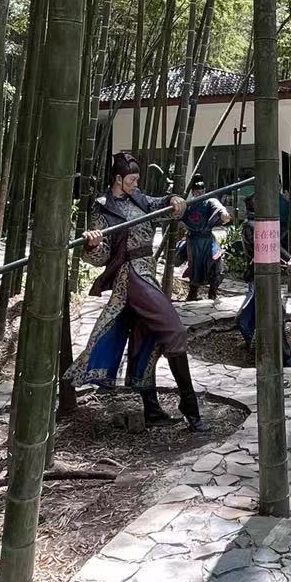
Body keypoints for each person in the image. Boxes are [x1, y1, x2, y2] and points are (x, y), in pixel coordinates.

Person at [65, 152, 207, 432]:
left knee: (146, 338)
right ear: (118, 179)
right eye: (131, 180)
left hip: (147, 272)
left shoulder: (138, 198)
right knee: (175, 331)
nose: (135, 184)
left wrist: (173, 200)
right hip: (130, 275)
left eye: (137, 179)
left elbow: (160, 203)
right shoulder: (103, 207)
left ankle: (152, 410)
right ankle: (190, 407)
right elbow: (100, 257)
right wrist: (92, 244)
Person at [237, 186, 291, 365]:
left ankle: (261, 349)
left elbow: (274, 246)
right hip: (260, 278)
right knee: (271, 315)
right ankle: (282, 357)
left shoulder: (259, 224)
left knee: (266, 314)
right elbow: (266, 251)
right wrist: (287, 261)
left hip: (265, 277)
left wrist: (289, 260)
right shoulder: (251, 227)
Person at [174, 173, 228, 303]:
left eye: (202, 191)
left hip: (208, 239)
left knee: (217, 265)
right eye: (197, 192)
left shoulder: (209, 201)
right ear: (192, 192)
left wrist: (223, 213)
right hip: (194, 242)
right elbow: (177, 216)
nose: (200, 194)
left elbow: (218, 206)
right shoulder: (187, 205)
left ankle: (212, 293)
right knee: (195, 268)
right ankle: (192, 294)